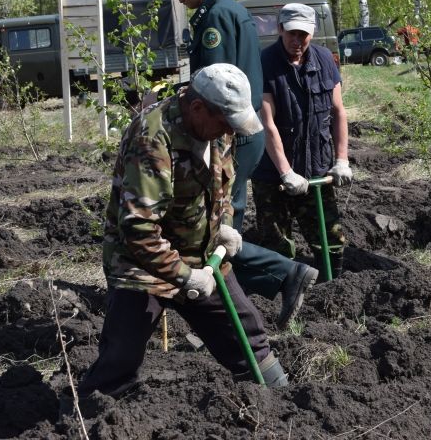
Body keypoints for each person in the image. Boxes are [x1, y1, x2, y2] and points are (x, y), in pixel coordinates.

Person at [79, 64, 287, 397]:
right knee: (121, 356)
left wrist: (224, 226)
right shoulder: (152, 140)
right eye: (223, 123)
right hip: (141, 265)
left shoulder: (220, 129)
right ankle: (93, 417)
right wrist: (186, 276)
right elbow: (139, 231)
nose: (227, 131)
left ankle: (279, 400)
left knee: (246, 334)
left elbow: (224, 185)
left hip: (201, 256)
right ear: (197, 108)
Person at [155, 0, 316, 327]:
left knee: (214, 232)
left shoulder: (217, 18)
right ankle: (267, 286)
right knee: (219, 231)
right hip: (237, 133)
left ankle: (271, 284)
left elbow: (211, 91)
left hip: (229, 137)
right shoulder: (225, 12)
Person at [251, 3, 352, 277]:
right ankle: (282, 297)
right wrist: (286, 172)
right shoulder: (264, 63)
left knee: (330, 237)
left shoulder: (324, 60)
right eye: (292, 33)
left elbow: (338, 111)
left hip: (315, 165)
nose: (297, 41)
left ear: (313, 32)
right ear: (280, 29)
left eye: (303, 35)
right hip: (273, 173)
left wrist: (342, 160)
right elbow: (267, 123)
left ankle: (335, 289)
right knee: (276, 243)